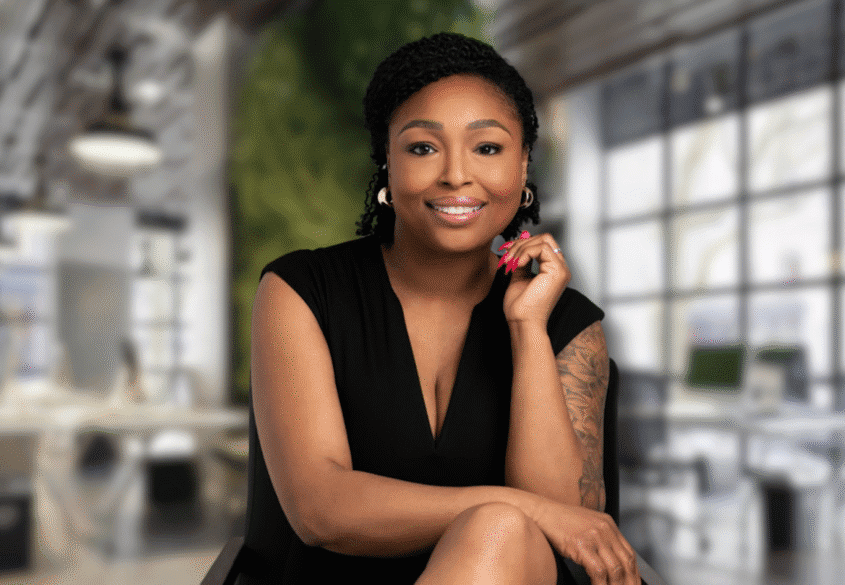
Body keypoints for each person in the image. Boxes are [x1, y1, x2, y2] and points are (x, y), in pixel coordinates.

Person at [248, 32, 639, 585]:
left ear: (524, 166)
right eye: (423, 148)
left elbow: (566, 532)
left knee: (500, 533)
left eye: (487, 147)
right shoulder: (300, 290)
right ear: (387, 161)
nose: (457, 175)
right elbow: (320, 508)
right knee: (501, 523)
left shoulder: (568, 323)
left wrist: (528, 330)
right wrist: (522, 510)